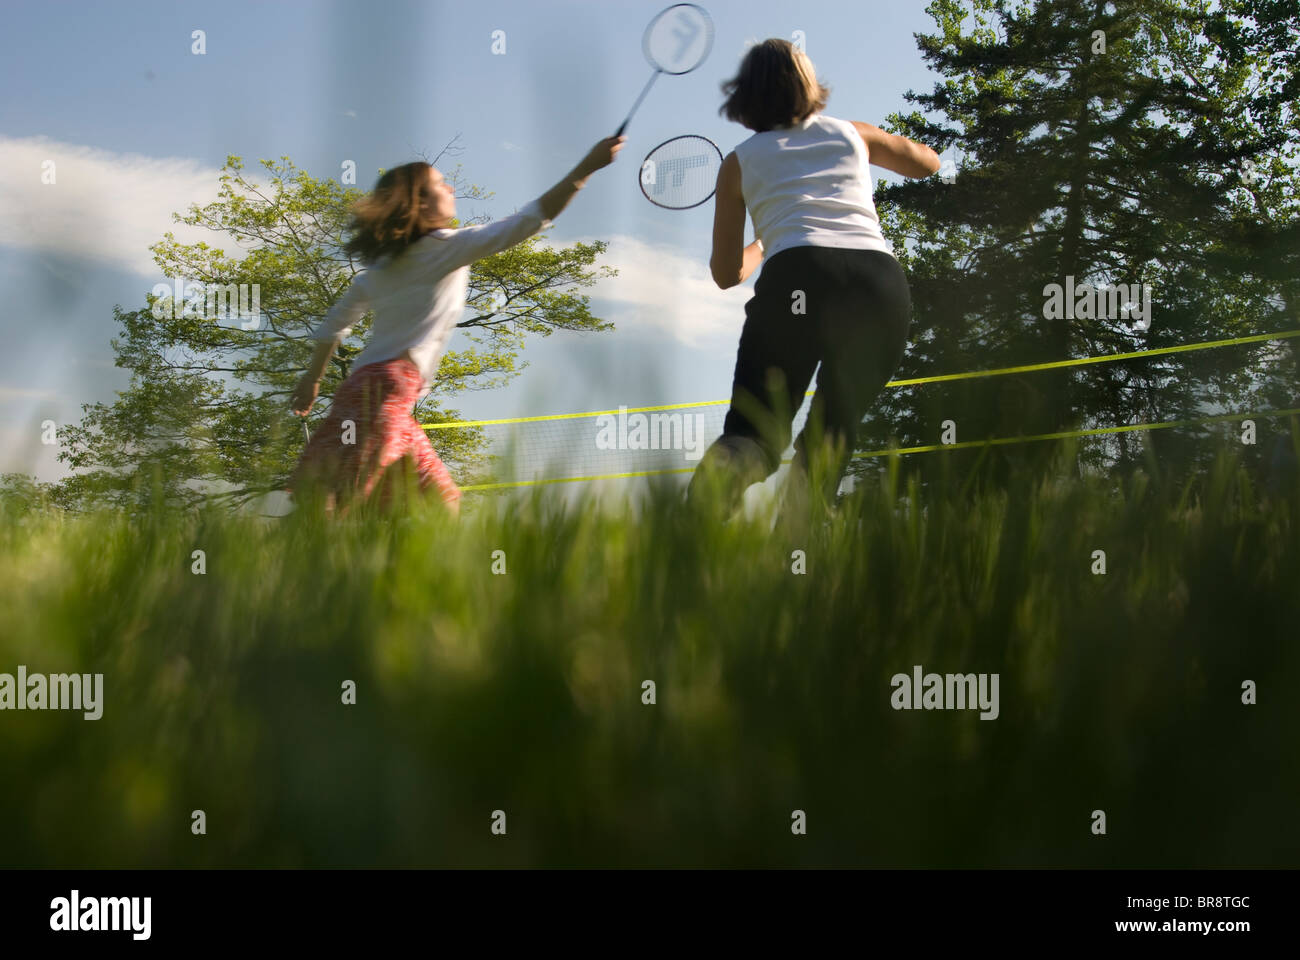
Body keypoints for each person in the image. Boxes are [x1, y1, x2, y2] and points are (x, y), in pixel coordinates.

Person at [289, 135, 626, 514]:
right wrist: (585, 169)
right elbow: (531, 219)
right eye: (441, 184)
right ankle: (293, 569)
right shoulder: (446, 246)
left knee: (439, 503)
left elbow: (335, 323)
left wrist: (312, 379)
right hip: (383, 393)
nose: (450, 188)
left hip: (374, 391)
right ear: (419, 203)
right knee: (342, 499)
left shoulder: (380, 269)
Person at [689, 38, 940, 524]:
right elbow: (926, 163)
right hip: (877, 283)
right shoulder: (854, 133)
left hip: (797, 278)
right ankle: (797, 554)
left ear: (745, 99)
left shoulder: (738, 163)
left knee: (755, 433)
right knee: (833, 430)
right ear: (809, 85)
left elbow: (725, 275)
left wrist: (764, 242)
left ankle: (685, 541)